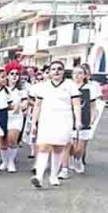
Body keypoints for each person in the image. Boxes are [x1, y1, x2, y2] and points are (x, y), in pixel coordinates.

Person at [30, 60, 82, 188]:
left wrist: (78, 120)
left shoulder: (70, 85)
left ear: (63, 71)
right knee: (43, 146)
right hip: (47, 118)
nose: (56, 71)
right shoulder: (43, 86)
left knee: (58, 148)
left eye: (59, 69)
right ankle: (39, 176)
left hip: (64, 118)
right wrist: (34, 122)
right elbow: (37, 105)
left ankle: (54, 175)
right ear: (50, 72)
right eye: (53, 69)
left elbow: (76, 104)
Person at [68, 65, 100, 175]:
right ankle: (71, 159)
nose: (77, 76)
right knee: (71, 144)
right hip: (69, 118)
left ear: (85, 75)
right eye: (75, 73)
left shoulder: (90, 88)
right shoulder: (68, 87)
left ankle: (78, 160)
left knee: (80, 146)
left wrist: (92, 118)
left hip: (85, 118)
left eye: (80, 73)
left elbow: (93, 106)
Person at [0, 61, 28, 173]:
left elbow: (25, 103)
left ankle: (11, 161)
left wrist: (19, 106)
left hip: (16, 117)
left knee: (12, 138)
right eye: (12, 73)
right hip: (4, 116)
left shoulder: (22, 90)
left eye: (16, 73)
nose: (14, 76)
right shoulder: (2, 89)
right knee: (3, 140)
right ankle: (4, 161)